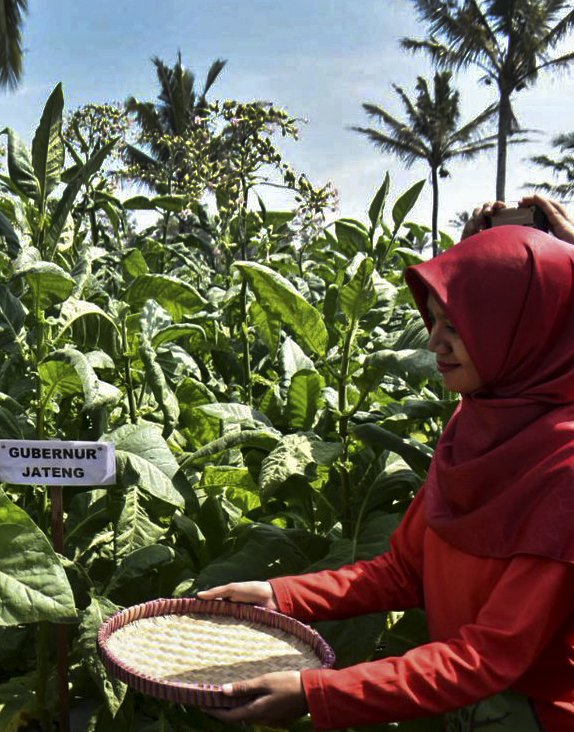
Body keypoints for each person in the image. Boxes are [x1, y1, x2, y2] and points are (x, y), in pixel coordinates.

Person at [198, 224, 574, 730]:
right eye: (435, 320)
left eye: (458, 326)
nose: (434, 341)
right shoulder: (474, 425)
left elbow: (491, 654)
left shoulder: (564, 466)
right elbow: (405, 572)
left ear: (520, 330)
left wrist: (319, 693)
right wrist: (281, 596)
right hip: (461, 701)